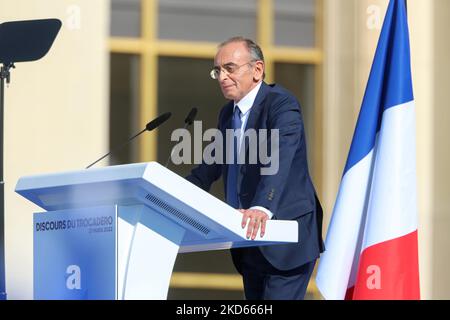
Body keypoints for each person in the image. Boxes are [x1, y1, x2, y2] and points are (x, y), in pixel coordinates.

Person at [186, 36, 324, 300]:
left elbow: (280, 158)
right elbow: (208, 168)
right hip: (249, 241)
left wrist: (262, 206)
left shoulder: (281, 104)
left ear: (257, 70)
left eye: (230, 68)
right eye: (218, 70)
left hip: (285, 241)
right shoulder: (228, 115)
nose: (222, 77)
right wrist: (171, 194)